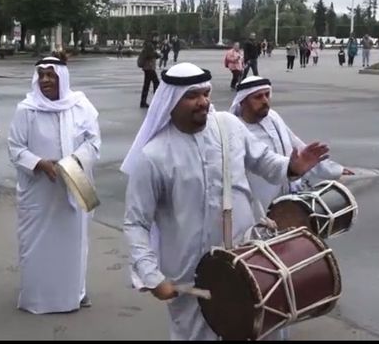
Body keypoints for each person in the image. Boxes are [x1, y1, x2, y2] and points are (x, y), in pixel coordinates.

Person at [121, 62, 330, 340]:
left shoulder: (229, 126)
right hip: (192, 274)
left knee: (260, 329)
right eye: (192, 95)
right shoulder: (153, 156)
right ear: (171, 101)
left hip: (249, 261)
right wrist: (151, 275)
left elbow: (264, 162)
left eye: (206, 93)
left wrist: (292, 167)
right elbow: (136, 222)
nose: (203, 101)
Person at [7, 56, 101, 314]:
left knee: (74, 243)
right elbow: (15, 147)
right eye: (43, 75)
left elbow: (93, 142)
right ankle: (37, 296)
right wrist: (39, 163)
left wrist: (73, 162)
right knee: (35, 245)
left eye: (52, 74)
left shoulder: (81, 106)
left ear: (63, 77)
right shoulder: (26, 109)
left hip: (74, 186)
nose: (46, 80)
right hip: (38, 191)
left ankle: (75, 293)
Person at [230, 76, 354, 208]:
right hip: (258, 202)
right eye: (258, 97)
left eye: (267, 95)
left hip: (289, 193)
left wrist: (334, 170)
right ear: (242, 101)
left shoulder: (272, 117)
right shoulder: (235, 130)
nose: (265, 101)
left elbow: (298, 148)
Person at [138, 39, 159, 108]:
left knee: (146, 85)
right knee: (156, 83)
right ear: (154, 37)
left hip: (147, 68)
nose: (158, 38)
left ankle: (143, 102)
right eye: (157, 36)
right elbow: (151, 54)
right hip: (149, 68)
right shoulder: (150, 45)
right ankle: (157, 101)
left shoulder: (148, 45)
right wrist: (158, 55)